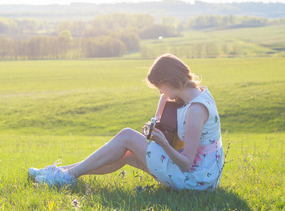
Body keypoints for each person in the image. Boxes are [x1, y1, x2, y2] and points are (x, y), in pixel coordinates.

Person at [28, 54, 224, 191]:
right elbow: (173, 112)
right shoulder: (197, 95)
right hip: (203, 176)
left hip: (196, 181)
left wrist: (163, 142)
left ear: (170, 81)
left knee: (127, 136)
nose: (160, 92)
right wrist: (159, 116)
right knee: (126, 153)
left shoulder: (196, 111)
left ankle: (64, 177)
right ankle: (61, 173)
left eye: (160, 87)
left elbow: (187, 164)